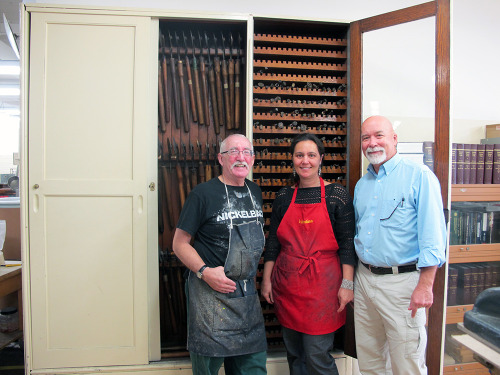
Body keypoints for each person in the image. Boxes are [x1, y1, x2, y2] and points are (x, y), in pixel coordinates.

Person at [353, 115, 446, 375]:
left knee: (407, 363)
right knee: (370, 362)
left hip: (403, 285)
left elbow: (434, 237)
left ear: (394, 139)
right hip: (365, 280)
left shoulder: (419, 176)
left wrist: (425, 286)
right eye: (366, 138)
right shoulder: (362, 185)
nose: (372, 143)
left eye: (379, 135)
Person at [261, 132, 356, 375]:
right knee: (295, 355)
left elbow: (347, 244)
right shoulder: (284, 196)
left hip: (324, 287)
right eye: (299, 155)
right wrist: (266, 280)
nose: (306, 161)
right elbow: (273, 242)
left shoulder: (337, 195)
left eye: (311, 155)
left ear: (321, 158)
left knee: (317, 355)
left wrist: (347, 284)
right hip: (288, 284)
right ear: (292, 159)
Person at [172, 134, 267, 375]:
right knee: (208, 368)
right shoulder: (202, 194)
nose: (240, 157)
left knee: (252, 367)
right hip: (210, 296)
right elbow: (179, 244)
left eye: (246, 152)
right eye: (233, 151)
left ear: (253, 159)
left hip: (246, 296)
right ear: (220, 158)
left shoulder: (254, 191)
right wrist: (204, 272)